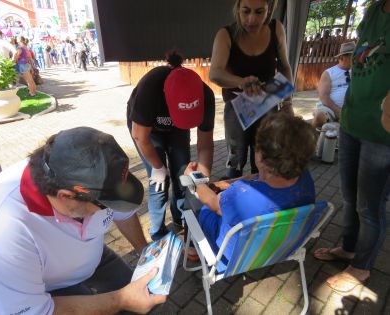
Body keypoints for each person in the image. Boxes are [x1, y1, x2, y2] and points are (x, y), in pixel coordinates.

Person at [0, 127, 166, 314]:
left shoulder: (87, 176)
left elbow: (123, 214)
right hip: (48, 287)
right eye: (106, 205)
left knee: (145, 295)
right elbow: (36, 312)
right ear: (66, 196)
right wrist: (121, 300)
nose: (111, 209)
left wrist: (145, 254)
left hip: (94, 258)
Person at [314, 0, 390, 293]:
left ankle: (362, 266)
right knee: (349, 196)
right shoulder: (373, 10)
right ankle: (348, 248)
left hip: (381, 133)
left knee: (370, 206)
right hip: (352, 123)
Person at [183, 113, 317, 270]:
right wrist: (225, 183)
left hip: (231, 256)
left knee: (192, 197)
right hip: (280, 248)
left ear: (261, 158)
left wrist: (192, 179)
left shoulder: (241, 194)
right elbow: (256, 177)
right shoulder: (305, 178)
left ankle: (191, 247)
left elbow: (213, 203)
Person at [127, 50, 215, 241]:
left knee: (182, 174)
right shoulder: (150, 89)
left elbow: (205, 145)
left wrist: (202, 180)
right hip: (148, 131)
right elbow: (140, 136)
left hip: (177, 129)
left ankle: (183, 220)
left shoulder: (205, 95)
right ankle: (158, 233)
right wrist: (158, 167)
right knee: (160, 181)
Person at [209, 0, 294, 178]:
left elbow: (285, 67)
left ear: (269, 9)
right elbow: (215, 73)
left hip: (267, 107)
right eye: (246, 11)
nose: (251, 20)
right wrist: (240, 81)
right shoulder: (226, 34)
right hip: (237, 109)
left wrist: (288, 102)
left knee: (265, 162)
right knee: (235, 162)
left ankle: (261, 202)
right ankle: (235, 201)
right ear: (237, 9)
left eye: (259, 12)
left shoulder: (276, 28)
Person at [312, 42, 355, 129]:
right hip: (330, 108)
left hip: (352, 110)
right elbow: (324, 97)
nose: (355, 59)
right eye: (352, 56)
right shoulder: (329, 73)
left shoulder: (359, 72)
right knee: (320, 116)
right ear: (342, 57)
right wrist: (339, 112)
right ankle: (312, 140)